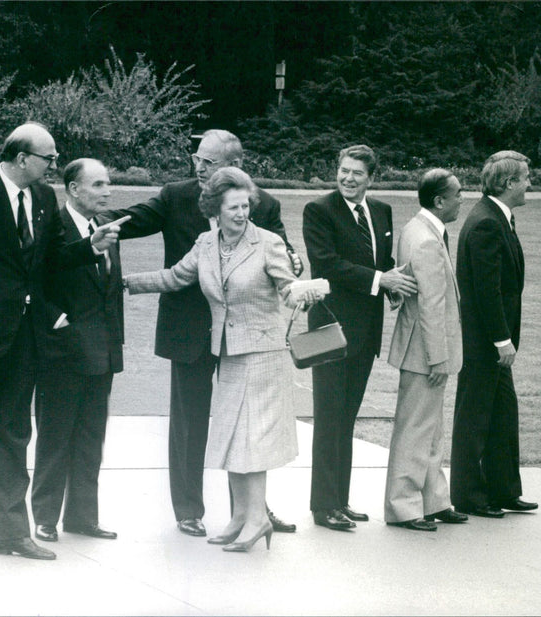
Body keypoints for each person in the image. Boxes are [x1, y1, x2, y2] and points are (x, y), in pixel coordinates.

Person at [0, 123, 123, 560]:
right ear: (21, 158)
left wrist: (91, 245)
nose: (54, 165)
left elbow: (49, 261)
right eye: (49, 158)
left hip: (27, 339)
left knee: (15, 432)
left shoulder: (44, 199)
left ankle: (11, 534)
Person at [99, 129, 301, 537]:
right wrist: (88, 219)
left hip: (243, 338)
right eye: (197, 158)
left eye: (208, 162)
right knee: (189, 422)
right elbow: (139, 224)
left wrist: (294, 269)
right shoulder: (176, 195)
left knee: (245, 425)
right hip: (188, 329)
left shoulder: (261, 205)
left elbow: (284, 255)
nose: (198, 167)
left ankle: (249, 512)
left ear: (235, 164)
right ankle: (188, 509)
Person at [124, 167, 324, 552]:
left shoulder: (266, 243)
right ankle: (239, 518)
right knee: (232, 436)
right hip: (228, 353)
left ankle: (257, 519)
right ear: (214, 209)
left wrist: (300, 292)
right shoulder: (205, 243)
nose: (241, 213)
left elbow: (286, 286)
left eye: (245, 205)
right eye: (233, 207)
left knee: (253, 440)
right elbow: (174, 277)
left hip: (262, 353)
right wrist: (126, 282)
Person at [302, 144, 418, 531]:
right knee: (329, 417)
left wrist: (392, 285)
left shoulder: (381, 211)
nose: (347, 178)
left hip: (365, 332)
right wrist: (378, 280)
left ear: (371, 178)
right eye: (343, 170)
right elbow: (327, 264)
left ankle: (341, 499)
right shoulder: (319, 211)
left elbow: (379, 261)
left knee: (346, 417)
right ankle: (323, 506)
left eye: (356, 173)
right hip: (328, 328)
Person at [32, 159, 123, 543]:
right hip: (62, 352)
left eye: (108, 184)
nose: (107, 191)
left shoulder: (106, 230)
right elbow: (36, 280)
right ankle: (45, 517)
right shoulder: (53, 227)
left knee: (90, 437)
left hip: (101, 352)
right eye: (98, 184)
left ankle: (83, 517)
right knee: (55, 436)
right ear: (73, 189)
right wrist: (55, 320)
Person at [450, 150, 538, 518]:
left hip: (492, 340)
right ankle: (469, 494)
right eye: (525, 177)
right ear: (507, 183)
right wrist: (501, 339)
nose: (529, 183)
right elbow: (486, 290)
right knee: (475, 414)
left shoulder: (499, 217)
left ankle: (503, 489)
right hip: (484, 340)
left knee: (502, 412)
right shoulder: (487, 222)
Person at [383, 169, 469, 531]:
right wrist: (438, 357)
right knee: (416, 430)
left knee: (431, 429)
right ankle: (404, 507)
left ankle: (434, 500)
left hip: (421, 347)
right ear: (440, 201)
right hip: (425, 351)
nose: (462, 199)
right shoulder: (427, 239)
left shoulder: (418, 228)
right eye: (458, 194)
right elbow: (432, 304)